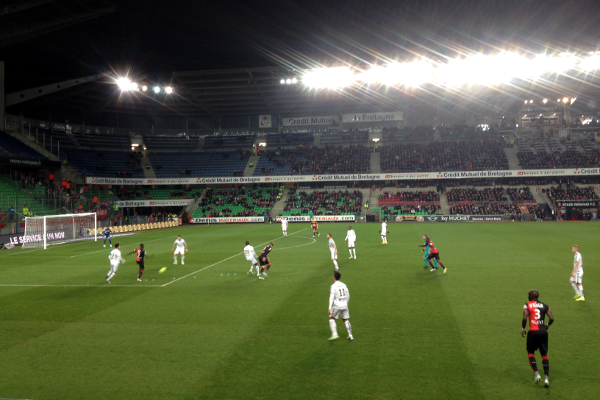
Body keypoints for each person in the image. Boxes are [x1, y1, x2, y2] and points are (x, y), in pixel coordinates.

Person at [522, 290, 554, 387]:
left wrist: (523, 328)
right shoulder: (545, 305)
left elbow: (524, 318)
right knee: (544, 354)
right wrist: (547, 325)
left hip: (533, 332)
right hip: (543, 332)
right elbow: (552, 318)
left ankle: (536, 374)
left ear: (530, 296)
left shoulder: (527, 305)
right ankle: (546, 379)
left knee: (530, 352)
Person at [328, 270, 353, 341]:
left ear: (334, 277)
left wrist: (329, 308)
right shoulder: (344, 285)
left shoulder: (333, 286)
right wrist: (347, 303)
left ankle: (334, 334)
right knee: (345, 319)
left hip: (337, 305)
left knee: (331, 318)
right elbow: (348, 295)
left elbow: (331, 297)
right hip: (344, 304)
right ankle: (350, 335)